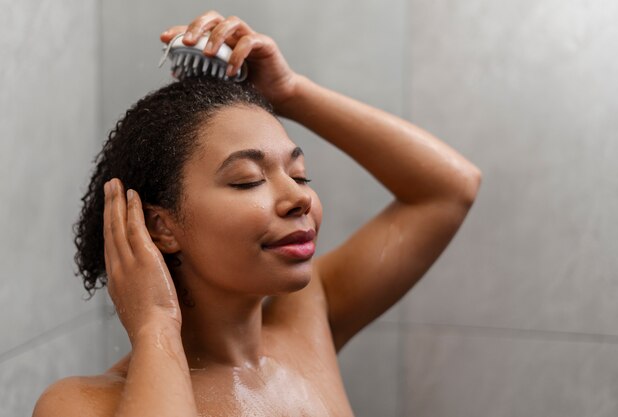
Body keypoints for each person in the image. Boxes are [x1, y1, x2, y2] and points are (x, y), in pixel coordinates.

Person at [33, 10, 481, 417]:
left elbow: (449, 189)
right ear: (161, 227)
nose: (299, 198)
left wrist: (291, 93)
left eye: (300, 175)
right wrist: (154, 327)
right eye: (248, 180)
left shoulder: (306, 319)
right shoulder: (82, 405)